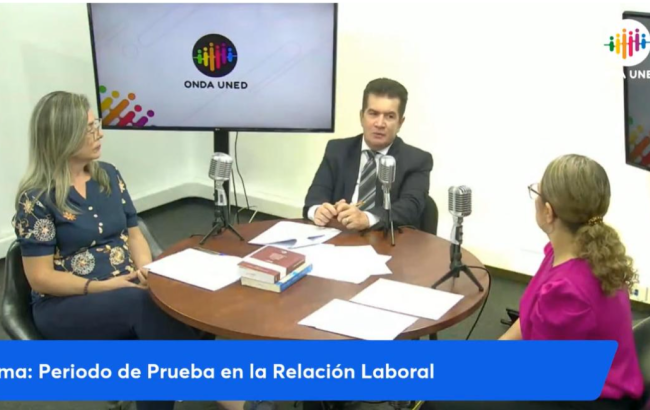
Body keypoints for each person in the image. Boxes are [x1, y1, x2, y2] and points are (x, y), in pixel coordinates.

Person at [12, 91, 247, 410]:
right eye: (89, 129)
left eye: (96, 125)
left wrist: (146, 269)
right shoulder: (36, 199)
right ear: (63, 135)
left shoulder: (107, 175)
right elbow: (40, 278)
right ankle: (237, 399)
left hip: (125, 284)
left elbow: (134, 234)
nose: (99, 134)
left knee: (177, 303)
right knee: (143, 305)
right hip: (65, 304)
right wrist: (104, 287)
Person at [424, 154, 645, 410]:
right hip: (570, 374)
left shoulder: (566, 291)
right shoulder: (569, 252)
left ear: (548, 212)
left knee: (440, 400)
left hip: (587, 398)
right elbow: (528, 322)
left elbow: (537, 375)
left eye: (537, 193)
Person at [303, 78, 433, 231]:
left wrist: (367, 218)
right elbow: (314, 197)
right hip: (340, 236)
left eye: (390, 116)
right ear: (361, 117)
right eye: (373, 114)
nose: (379, 123)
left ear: (400, 123)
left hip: (388, 240)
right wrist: (318, 211)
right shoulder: (337, 150)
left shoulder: (417, 160)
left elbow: (410, 208)